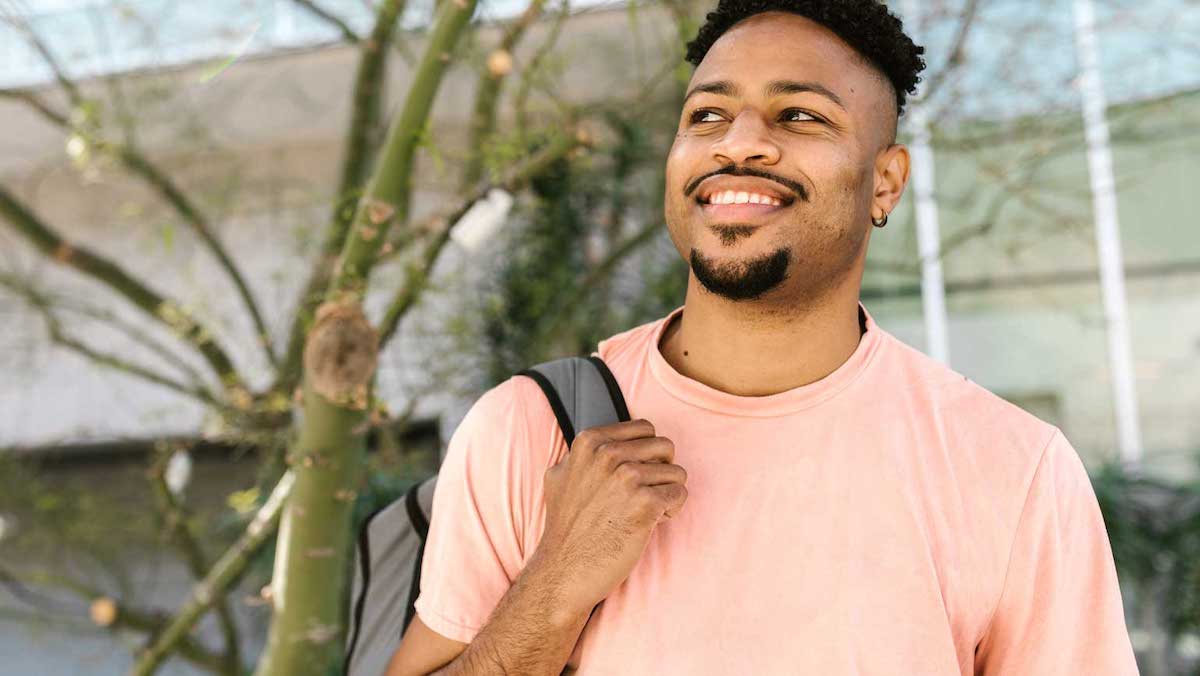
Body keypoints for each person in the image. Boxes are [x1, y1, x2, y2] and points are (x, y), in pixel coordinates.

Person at [387, 0, 1140, 673]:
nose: (739, 143)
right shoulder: (533, 429)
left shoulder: (1012, 469)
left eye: (800, 116)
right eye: (707, 116)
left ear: (886, 182)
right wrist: (551, 591)